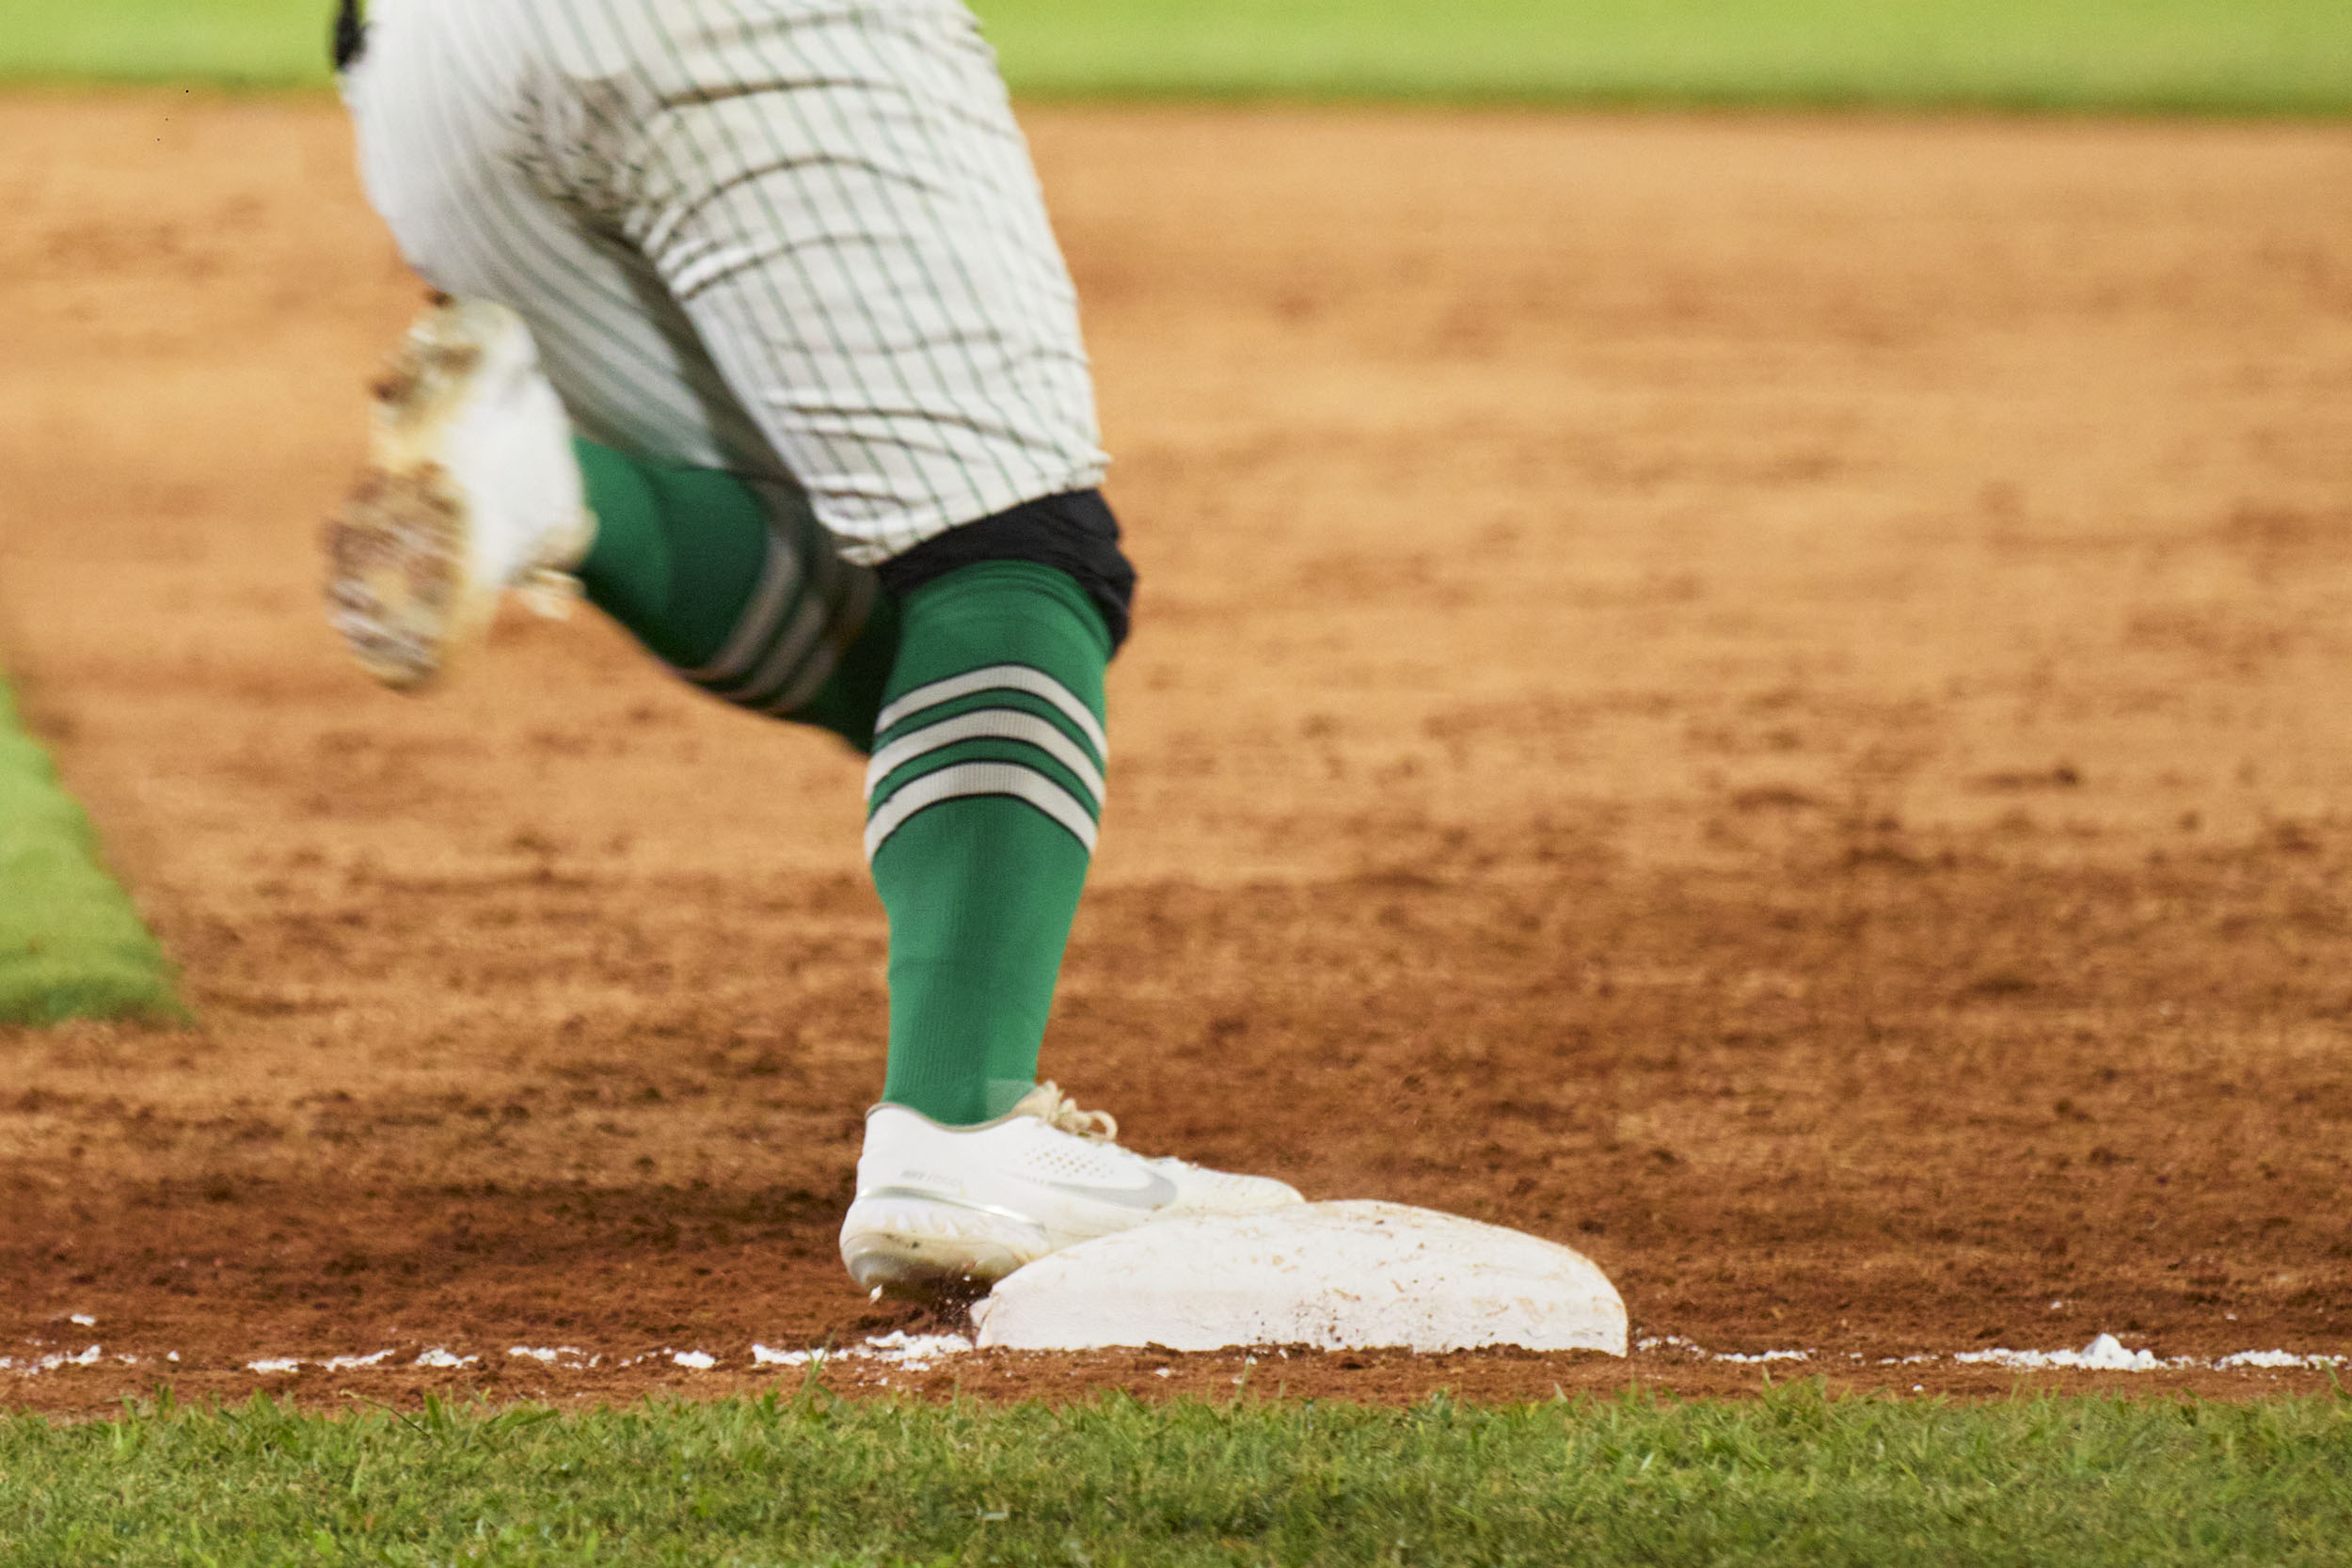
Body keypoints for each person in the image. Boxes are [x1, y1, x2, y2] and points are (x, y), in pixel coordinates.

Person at [325, 0, 1301, 1300]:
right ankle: (962, 1133)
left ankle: (556, 487)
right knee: (1009, 550)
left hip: (416, 67)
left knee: (899, 620)